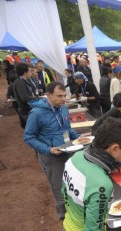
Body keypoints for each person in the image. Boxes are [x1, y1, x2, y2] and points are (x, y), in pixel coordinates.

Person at [24, 82, 80, 220]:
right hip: (52, 157)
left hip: (69, 152)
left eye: (65, 95)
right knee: (59, 189)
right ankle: (65, 220)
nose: (63, 99)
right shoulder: (37, 113)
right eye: (59, 96)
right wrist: (48, 149)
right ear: (48, 95)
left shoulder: (63, 108)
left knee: (73, 184)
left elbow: (66, 129)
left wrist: (79, 138)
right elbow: (28, 137)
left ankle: (77, 216)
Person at [13, 63, 40, 128]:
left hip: (29, 109)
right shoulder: (19, 82)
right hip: (26, 111)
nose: (31, 73)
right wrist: (40, 98)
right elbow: (24, 97)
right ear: (25, 72)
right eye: (30, 71)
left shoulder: (25, 81)